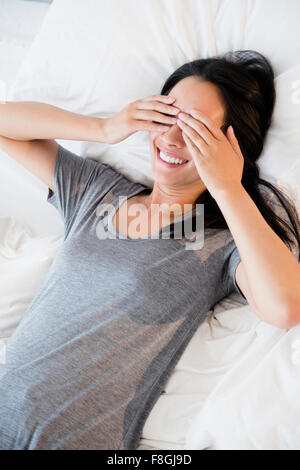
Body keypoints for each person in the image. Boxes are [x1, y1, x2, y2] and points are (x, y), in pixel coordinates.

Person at [0, 50, 299, 450]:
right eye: (167, 116)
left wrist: (227, 186)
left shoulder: (219, 240)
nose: (173, 138)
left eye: (196, 130)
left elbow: (285, 306)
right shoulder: (98, 192)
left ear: (233, 147)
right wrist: (105, 128)